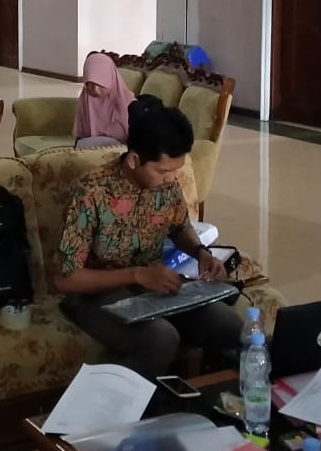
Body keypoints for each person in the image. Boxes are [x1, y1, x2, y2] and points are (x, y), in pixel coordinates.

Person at [56, 98, 242, 378]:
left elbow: (179, 227)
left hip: (153, 286)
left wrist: (201, 253)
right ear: (134, 160)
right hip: (95, 296)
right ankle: (109, 403)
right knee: (161, 339)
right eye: (163, 171)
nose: (170, 179)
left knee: (229, 326)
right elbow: (65, 279)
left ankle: (210, 397)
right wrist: (136, 275)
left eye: (176, 170)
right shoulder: (93, 192)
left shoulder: (166, 186)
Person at [74, 52, 136, 148]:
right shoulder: (86, 99)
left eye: (100, 85)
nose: (95, 90)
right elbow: (80, 138)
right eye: (91, 85)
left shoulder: (129, 103)